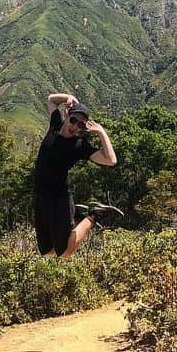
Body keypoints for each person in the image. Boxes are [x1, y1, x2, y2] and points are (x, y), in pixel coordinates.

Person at [33, 92, 121, 258]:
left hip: (59, 200)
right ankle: (77, 216)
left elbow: (111, 160)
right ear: (67, 115)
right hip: (40, 198)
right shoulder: (55, 125)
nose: (75, 126)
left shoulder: (79, 145)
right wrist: (68, 97)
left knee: (65, 252)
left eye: (81, 125)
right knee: (47, 252)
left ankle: (93, 215)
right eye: (74, 120)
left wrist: (101, 133)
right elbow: (51, 99)